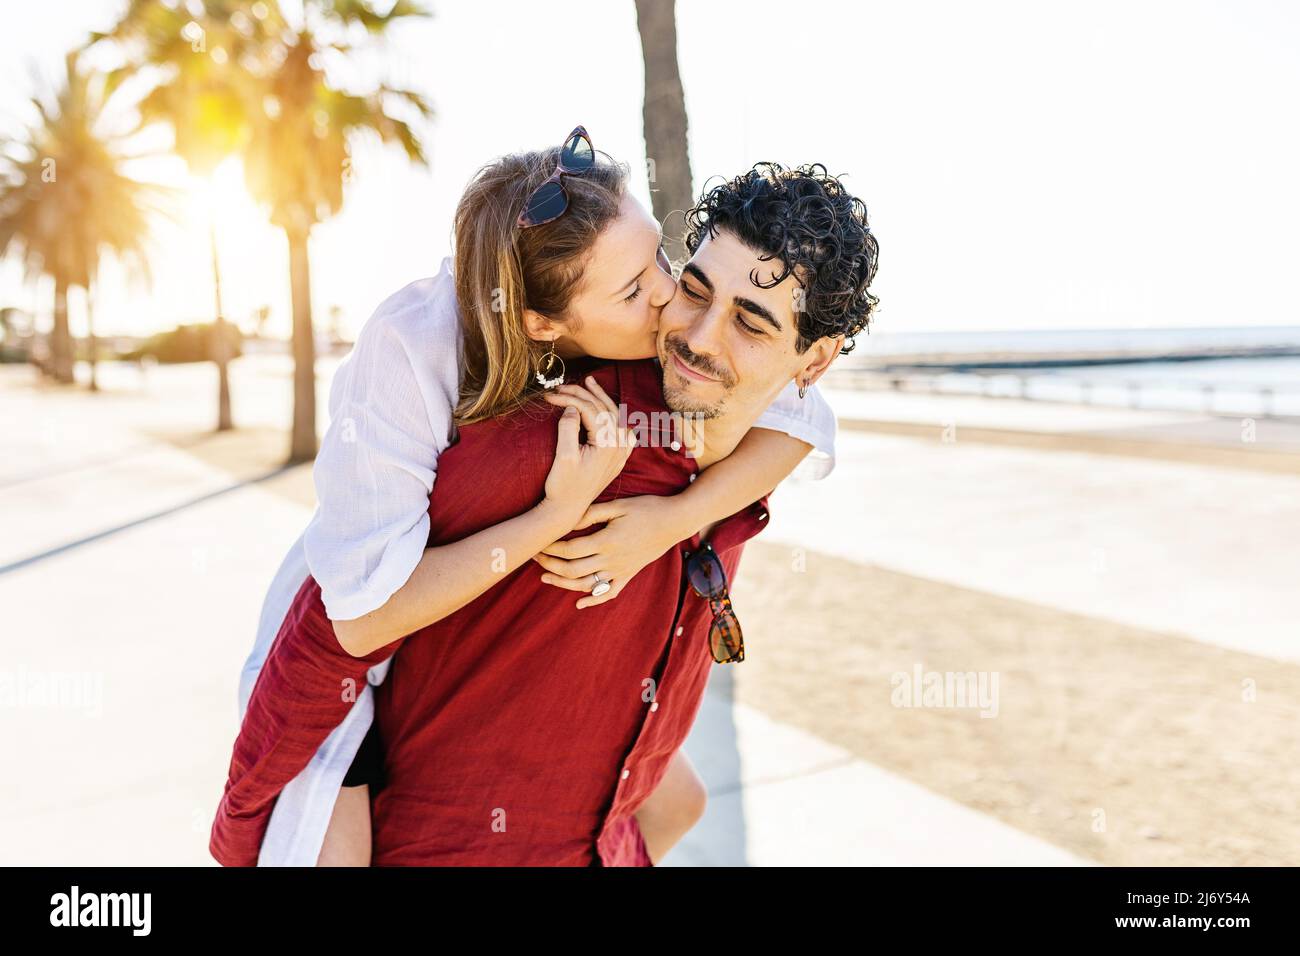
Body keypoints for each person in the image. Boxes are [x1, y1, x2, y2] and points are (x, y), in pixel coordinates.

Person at [211, 160, 880, 866]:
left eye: (747, 321)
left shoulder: (731, 412)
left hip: (592, 822)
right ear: (546, 321)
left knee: (682, 800)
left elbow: (808, 425)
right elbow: (340, 618)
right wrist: (553, 516)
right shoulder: (497, 402)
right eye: (694, 288)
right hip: (358, 596)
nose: (687, 326)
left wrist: (669, 521)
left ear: (814, 360)